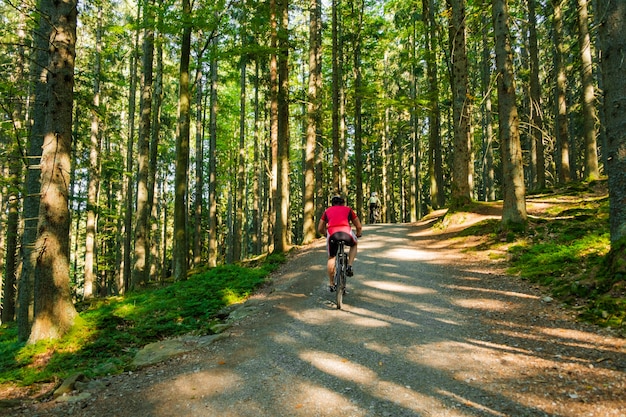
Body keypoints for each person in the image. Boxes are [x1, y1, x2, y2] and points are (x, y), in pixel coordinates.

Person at [318, 195, 363, 292]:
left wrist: (326, 234)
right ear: (343, 203)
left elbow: (320, 228)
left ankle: (331, 283)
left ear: (332, 204)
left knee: (331, 257)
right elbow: (358, 226)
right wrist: (358, 234)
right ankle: (349, 265)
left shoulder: (327, 211)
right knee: (354, 244)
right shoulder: (348, 210)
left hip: (333, 234)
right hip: (346, 233)